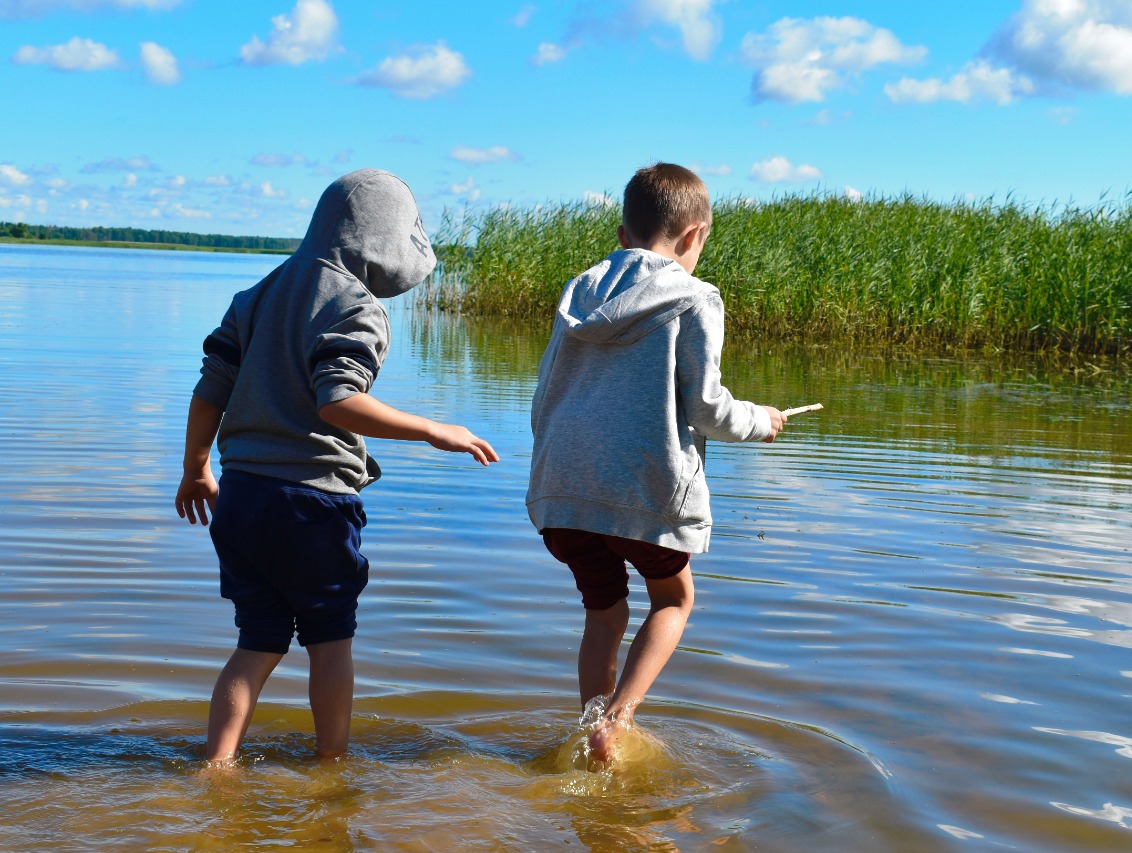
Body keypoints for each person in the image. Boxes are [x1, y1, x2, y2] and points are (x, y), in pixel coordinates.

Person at [175, 168, 499, 763]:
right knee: (330, 642)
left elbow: (209, 390)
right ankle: (333, 767)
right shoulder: (355, 304)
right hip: (312, 503)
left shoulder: (255, 295)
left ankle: (216, 768)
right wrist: (434, 430)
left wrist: (197, 467)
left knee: (256, 643)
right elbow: (338, 399)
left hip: (242, 496)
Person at [526, 162, 785, 762]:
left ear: (623, 235)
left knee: (604, 611)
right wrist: (760, 421)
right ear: (694, 236)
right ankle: (615, 723)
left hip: (563, 491)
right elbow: (707, 407)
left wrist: (553, 470)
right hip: (643, 490)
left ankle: (590, 728)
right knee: (674, 599)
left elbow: (544, 396)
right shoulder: (695, 299)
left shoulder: (578, 297)